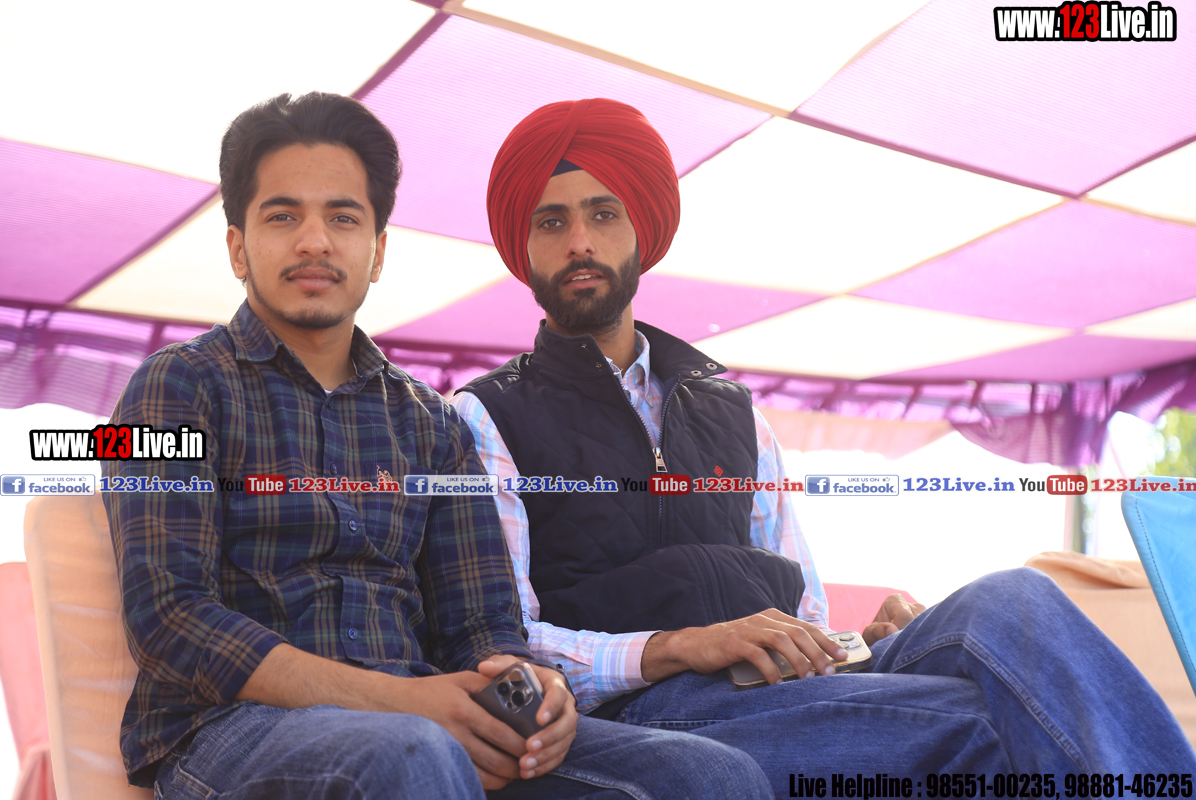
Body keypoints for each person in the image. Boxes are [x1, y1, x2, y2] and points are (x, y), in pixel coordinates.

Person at [452, 97, 1196, 791]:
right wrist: (680, 645)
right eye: (551, 222)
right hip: (651, 712)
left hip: (785, 685)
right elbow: (502, 643)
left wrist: (856, 644)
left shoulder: (734, 412)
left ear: (641, 230)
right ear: (524, 246)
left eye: (603, 213)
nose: (580, 241)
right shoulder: (488, 417)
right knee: (982, 721)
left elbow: (804, 613)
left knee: (1018, 602)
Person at [102, 92, 774, 800]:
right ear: (238, 247)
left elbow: (481, 623)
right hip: (229, 731)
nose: (315, 241)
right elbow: (168, 615)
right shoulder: (169, 386)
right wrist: (400, 704)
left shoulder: (433, 423)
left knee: (711, 775)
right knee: (409, 755)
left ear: (377, 252)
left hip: (425, 727)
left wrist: (530, 691)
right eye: (283, 216)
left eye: (343, 217)